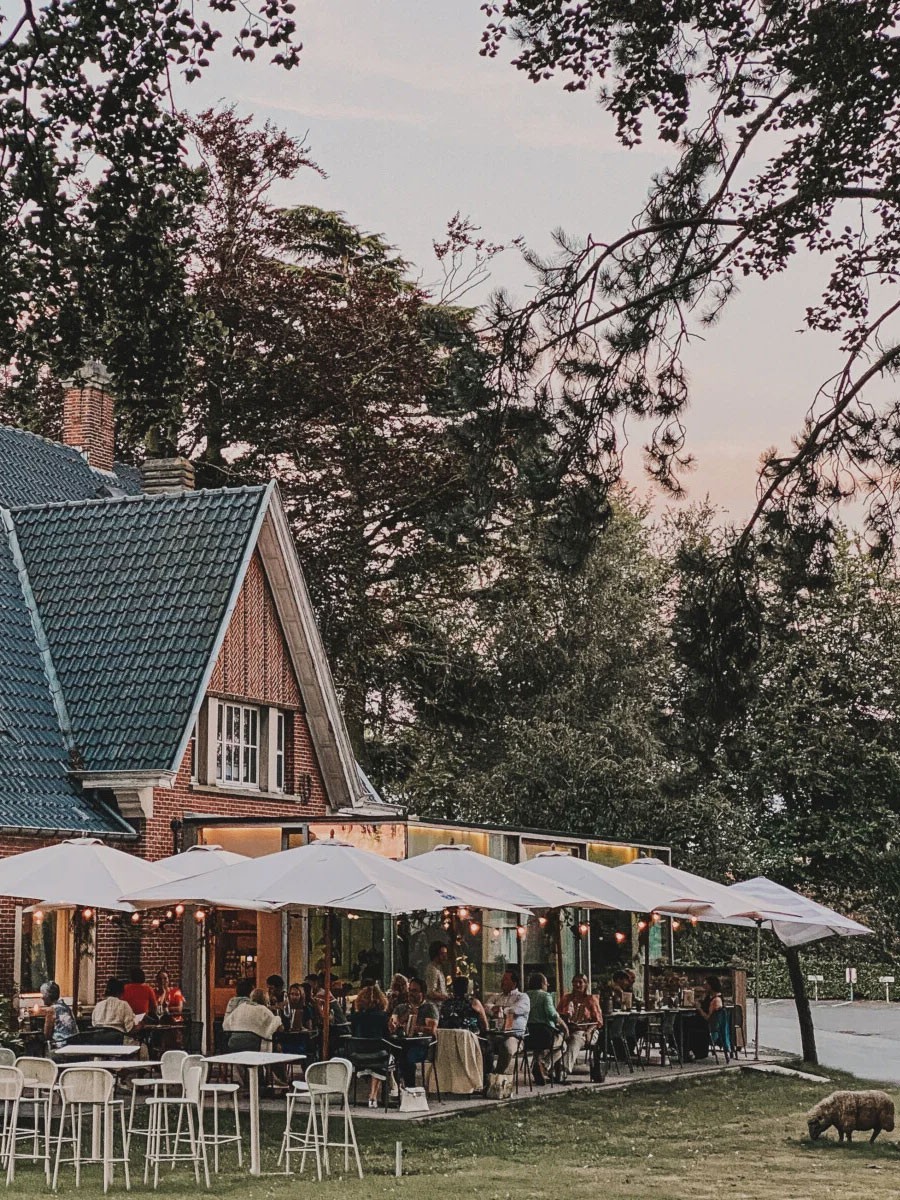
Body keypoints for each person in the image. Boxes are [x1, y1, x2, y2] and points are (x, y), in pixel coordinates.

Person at [389, 977, 439, 1087]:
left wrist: (413, 1027)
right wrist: (407, 1015)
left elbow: (431, 1029)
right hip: (401, 1043)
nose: (411, 993)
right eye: (410, 990)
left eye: (415, 991)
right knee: (390, 1055)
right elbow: (393, 1025)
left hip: (421, 1045)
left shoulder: (429, 1008)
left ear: (423, 993)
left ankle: (409, 1087)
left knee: (405, 1057)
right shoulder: (400, 1008)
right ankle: (395, 1087)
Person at [350, 984, 392, 1107]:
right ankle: (374, 1094)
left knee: (376, 1056)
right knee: (388, 1056)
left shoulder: (355, 1017)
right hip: (379, 1055)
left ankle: (372, 1095)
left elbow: (353, 1034)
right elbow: (387, 1037)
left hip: (358, 1055)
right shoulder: (383, 1017)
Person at [526, 972, 568, 1085]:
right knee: (563, 1045)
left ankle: (538, 1063)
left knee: (539, 1049)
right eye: (546, 982)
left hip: (529, 1035)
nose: (548, 985)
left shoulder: (525, 996)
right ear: (541, 984)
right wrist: (564, 1026)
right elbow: (551, 1013)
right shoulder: (545, 996)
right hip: (545, 1034)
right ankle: (544, 1065)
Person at [558, 973, 603, 1076]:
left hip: (585, 1031)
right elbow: (558, 1015)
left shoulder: (591, 999)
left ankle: (563, 1069)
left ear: (586, 984)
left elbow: (598, 1021)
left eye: (580, 982)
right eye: (575, 982)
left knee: (575, 1039)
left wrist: (588, 1031)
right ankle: (545, 1067)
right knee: (556, 1040)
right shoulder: (566, 998)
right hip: (568, 1029)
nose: (577, 985)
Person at [487, 969, 530, 1075]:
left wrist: (500, 1009)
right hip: (495, 1035)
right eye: (502, 979)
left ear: (514, 983)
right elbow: (486, 1007)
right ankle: (487, 1073)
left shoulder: (522, 997)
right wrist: (495, 1009)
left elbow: (515, 1010)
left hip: (514, 1037)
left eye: (505, 979)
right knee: (483, 1045)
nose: (502, 981)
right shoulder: (497, 996)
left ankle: (498, 1074)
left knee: (507, 1048)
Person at [223, 986, 283, 1052]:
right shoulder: (263, 1009)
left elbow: (225, 1025)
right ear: (265, 1000)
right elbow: (279, 1027)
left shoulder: (241, 1007)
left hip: (234, 1043)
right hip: (253, 1045)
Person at [91, 977, 136, 1042]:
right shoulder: (123, 1005)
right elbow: (129, 1028)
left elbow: (94, 1023)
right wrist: (140, 1026)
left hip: (98, 1039)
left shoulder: (98, 1005)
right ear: (119, 993)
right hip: (117, 1039)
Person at [40, 980, 78, 1049]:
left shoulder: (51, 1010)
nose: (42, 997)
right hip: (73, 1044)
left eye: (43, 994)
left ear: (48, 995)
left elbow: (47, 1034)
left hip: (60, 1045)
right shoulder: (66, 1007)